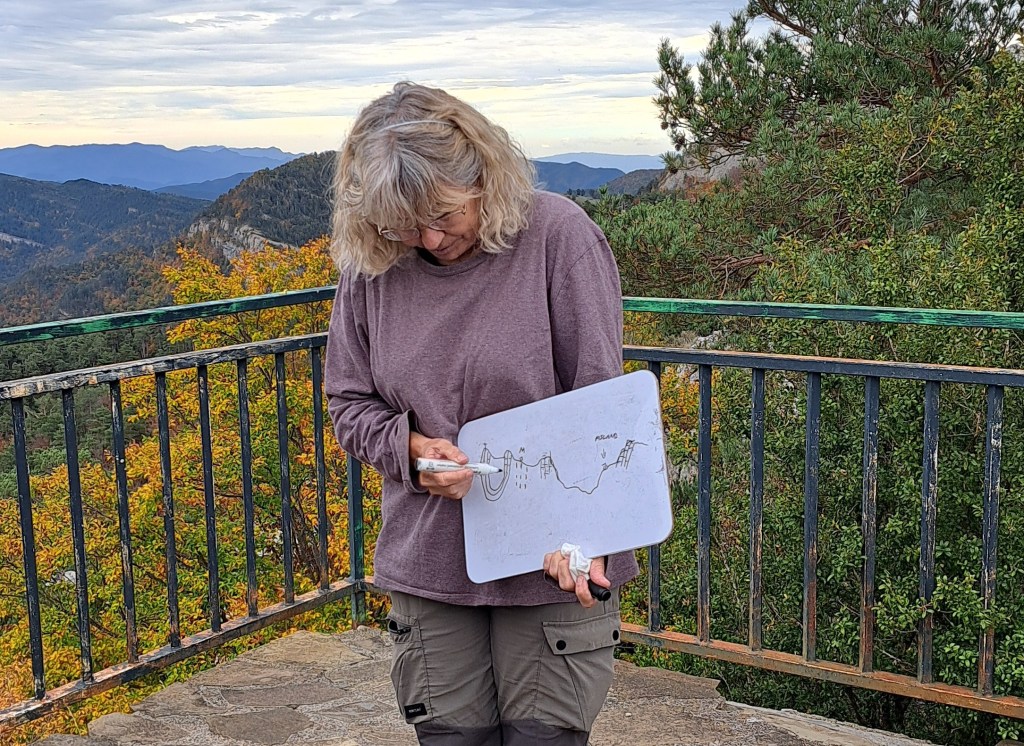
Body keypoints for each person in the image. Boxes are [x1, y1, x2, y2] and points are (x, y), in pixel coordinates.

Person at [324, 81, 639, 746]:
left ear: (483, 177)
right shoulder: (372, 263)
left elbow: (602, 408)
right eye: (405, 225)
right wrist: (415, 452)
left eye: (443, 214)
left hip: (554, 559)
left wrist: (585, 533)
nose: (430, 238)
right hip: (431, 559)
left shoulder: (559, 238)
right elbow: (348, 402)